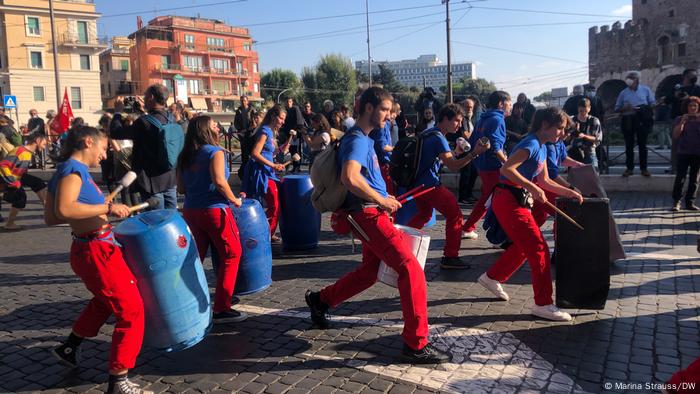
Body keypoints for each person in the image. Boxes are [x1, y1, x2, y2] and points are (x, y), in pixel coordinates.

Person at [305, 87, 450, 364]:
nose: (390, 115)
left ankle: (320, 301)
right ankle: (416, 344)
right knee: (410, 269)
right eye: (385, 109)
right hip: (367, 214)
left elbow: (364, 179)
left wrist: (384, 196)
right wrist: (380, 199)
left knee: (371, 271)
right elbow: (350, 178)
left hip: (370, 211)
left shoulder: (364, 139)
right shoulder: (358, 139)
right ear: (368, 108)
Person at [44, 126, 150, 394]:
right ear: (88, 142)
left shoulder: (63, 171)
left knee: (104, 301)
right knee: (131, 309)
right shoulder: (73, 170)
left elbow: (53, 216)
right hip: (96, 252)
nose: (104, 155)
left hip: (90, 248)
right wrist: (107, 207)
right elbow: (64, 210)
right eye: (103, 148)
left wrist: (98, 209)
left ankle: (70, 346)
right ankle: (118, 381)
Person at [477, 108, 583, 322]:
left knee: (525, 246)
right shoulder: (531, 143)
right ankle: (543, 304)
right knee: (539, 248)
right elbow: (506, 169)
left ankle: (492, 277)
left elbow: (545, 181)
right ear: (545, 125)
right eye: (560, 128)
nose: (562, 133)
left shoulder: (542, 146)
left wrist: (569, 192)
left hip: (515, 199)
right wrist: (531, 187)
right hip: (508, 201)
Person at [177, 115, 247, 323]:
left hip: (191, 211)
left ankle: (187, 300)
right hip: (214, 211)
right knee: (232, 255)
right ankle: (222, 307)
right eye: (214, 124)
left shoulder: (185, 156)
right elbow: (219, 181)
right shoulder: (215, 152)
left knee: (196, 258)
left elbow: (180, 188)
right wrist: (235, 199)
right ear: (206, 130)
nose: (218, 127)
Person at [407, 103, 490, 269]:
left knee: (423, 215)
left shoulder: (428, 133)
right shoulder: (438, 137)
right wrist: (474, 153)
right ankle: (450, 256)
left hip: (417, 184)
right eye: (457, 121)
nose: (459, 125)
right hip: (430, 185)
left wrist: (458, 152)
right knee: (455, 215)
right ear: (445, 119)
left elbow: (443, 159)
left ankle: (399, 240)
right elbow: (452, 166)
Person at [110, 84, 179, 209]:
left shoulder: (143, 122)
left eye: (146, 96)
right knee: (171, 218)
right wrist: (145, 110)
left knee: (156, 220)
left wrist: (117, 112)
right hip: (169, 178)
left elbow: (116, 132)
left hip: (151, 181)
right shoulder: (171, 118)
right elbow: (156, 122)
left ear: (151, 97)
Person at [462, 91, 512, 240]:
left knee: (488, 198)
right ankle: (468, 227)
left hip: (482, 165)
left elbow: (472, 142)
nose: (511, 106)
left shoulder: (482, 119)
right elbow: (496, 147)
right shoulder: (497, 119)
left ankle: (469, 227)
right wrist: (508, 164)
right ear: (501, 104)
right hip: (494, 166)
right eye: (509, 103)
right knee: (490, 199)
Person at [241, 105, 287, 242]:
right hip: (262, 173)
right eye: (281, 118)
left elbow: (267, 153)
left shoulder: (270, 132)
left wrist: (279, 151)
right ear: (273, 117)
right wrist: (273, 164)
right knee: (274, 205)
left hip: (267, 171)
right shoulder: (265, 131)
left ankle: (265, 231)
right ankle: (264, 234)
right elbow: (255, 153)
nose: (283, 122)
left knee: (271, 205)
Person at [0, 132, 48, 230]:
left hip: (18, 176)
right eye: (44, 144)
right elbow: (3, 165)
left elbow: (20, 168)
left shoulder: (28, 153)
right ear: (38, 141)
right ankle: (9, 224)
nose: (44, 148)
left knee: (38, 183)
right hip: (9, 179)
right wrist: (12, 182)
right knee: (20, 199)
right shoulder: (20, 151)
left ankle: (48, 211)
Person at [615, 71, 656, 177]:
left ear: (636, 79)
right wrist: (625, 108)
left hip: (642, 119)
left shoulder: (646, 90)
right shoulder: (623, 92)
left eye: (631, 77)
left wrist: (643, 108)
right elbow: (617, 108)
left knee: (643, 145)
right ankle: (629, 168)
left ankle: (644, 169)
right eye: (628, 77)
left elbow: (652, 104)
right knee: (629, 146)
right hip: (628, 119)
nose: (629, 79)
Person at [671, 96, 700, 211]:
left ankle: (690, 202)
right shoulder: (680, 119)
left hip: (698, 152)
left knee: (694, 179)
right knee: (680, 177)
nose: (692, 108)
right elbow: (675, 135)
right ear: (686, 107)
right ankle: (676, 201)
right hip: (684, 151)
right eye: (690, 106)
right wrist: (682, 122)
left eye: (695, 106)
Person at [570, 98, 603, 170]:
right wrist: (574, 131)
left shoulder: (594, 120)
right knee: (575, 177)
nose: (583, 113)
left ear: (589, 109)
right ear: (578, 109)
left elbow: (597, 139)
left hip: (589, 150)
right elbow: (567, 137)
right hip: (575, 152)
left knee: (593, 174)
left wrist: (584, 136)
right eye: (581, 110)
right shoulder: (572, 120)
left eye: (585, 110)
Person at [457, 98, 479, 203]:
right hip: (464, 150)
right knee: (466, 173)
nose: (469, 109)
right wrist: (476, 137)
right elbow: (465, 134)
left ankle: (469, 194)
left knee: (473, 173)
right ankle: (463, 196)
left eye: (471, 107)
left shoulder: (472, 120)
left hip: (472, 150)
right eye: (467, 106)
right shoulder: (463, 119)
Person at [368, 110, 394, 195]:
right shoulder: (382, 125)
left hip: (381, 162)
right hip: (382, 162)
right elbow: (382, 146)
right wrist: (395, 149)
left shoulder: (385, 124)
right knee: (386, 192)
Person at [281, 98, 305, 173]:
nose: (288, 103)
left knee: (296, 150)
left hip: (295, 135)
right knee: (290, 151)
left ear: (292, 102)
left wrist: (296, 132)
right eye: (287, 102)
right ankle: (292, 166)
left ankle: (297, 166)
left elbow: (299, 122)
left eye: (290, 102)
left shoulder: (295, 109)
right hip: (287, 134)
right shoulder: (285, 110)